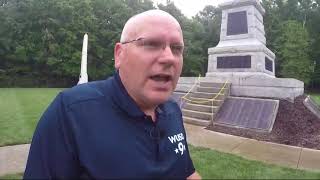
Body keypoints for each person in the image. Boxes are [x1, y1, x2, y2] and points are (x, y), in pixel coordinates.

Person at [24, 9, 201, 179]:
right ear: (119, 55)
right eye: (151, 44)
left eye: (177, 48)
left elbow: (186, 173)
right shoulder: (71, 112)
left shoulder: (173, 110)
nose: (169, 58)